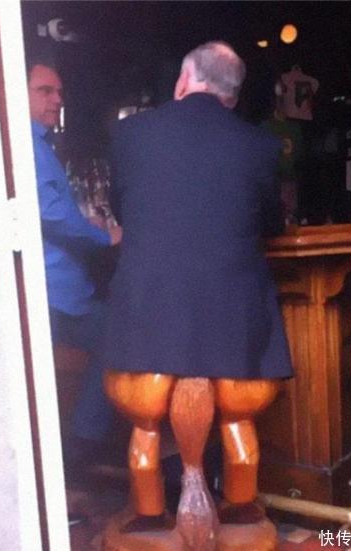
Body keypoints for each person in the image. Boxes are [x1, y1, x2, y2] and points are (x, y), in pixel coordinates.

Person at [102, 41, 293, 535]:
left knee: (145, 422)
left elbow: (124, 211)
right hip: (235, 334)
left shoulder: (129, 134)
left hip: (147, 324)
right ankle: (242, 509)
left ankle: (149, 514)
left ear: (183, 80)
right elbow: (272, 224)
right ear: (233, 95)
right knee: (238, 417)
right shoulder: (261, 146)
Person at [27, 61, 122, 491]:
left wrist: (87, 225)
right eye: (45, 91)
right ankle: (82, 447)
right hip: (53, 289)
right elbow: (51, 216)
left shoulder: (40, 145)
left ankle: (80, 448)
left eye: (59, 91)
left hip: (57, 287)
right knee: (116, 332)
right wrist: (104, 236)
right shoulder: (29, 147)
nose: (57, 99)